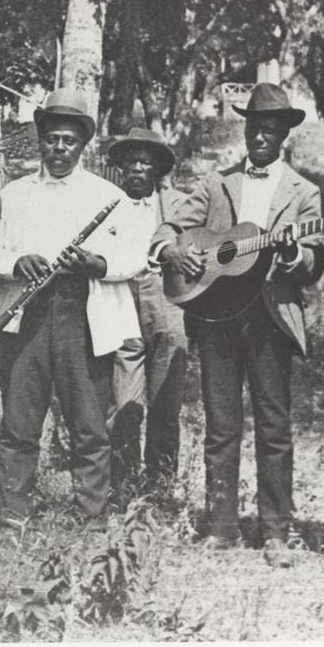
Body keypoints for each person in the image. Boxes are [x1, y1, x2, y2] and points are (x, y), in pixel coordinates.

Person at [151, 83, 324, 568]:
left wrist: (292, 252)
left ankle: (276, 532)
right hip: (217, 318)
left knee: (274, 427)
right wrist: (172, 251)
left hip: (271, 318)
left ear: (284, 134)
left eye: (269, 130)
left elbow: (314, 262)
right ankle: (221, 526)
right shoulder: (216, 183)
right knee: (220, 425)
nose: (260, 137)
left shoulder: (304, 192)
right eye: (254, 128)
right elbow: (170, 227)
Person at [0, 89, 145, 529]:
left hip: (82, 313)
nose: (59, 149)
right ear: (41, 140)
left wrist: (98, 264)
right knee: (20, 419)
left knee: (89, 421)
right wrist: (16, 263)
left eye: (69, 140)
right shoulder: (15, 193)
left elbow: (135, 254)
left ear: (83, 143)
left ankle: (91, 516)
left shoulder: (109, 196)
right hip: (27, 313)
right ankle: (14, 513)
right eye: (51, 139)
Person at [105, 127, 189, 498]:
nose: (137, 168)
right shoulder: (108, 204)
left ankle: (161, 488)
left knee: (166, 400)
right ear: (121, 166)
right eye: (131, 161)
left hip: (167, 299)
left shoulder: (179, 205)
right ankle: (123, 487)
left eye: (145, 162)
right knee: (124, 401)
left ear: (157, 168)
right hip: (121, 299)